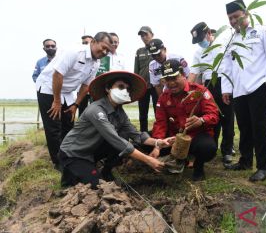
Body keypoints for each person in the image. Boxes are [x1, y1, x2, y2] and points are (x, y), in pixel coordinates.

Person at [59, 71, 172, 189]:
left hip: (91, 151)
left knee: (123, 134)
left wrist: (158, 142)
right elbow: (115, 140)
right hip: (73, 153)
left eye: (127, 89)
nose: (124, 91)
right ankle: (70, 174)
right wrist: (147, 160)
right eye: (120, 86)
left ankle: (106, 171)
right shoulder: (96, 110)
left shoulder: (119, 112)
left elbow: (136, 135)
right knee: (96, 187)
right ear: (108, 89)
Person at [35, 31, 113, 170]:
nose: (104, 51)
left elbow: (86, 85)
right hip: (49, 87)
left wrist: (76, 104)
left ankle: (68, 155)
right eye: (103, 47)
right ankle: (58, 162)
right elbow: (57, 75)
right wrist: (57, 101)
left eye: (108, 50)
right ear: (93, 42)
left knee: (69, 124)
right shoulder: (74, 52)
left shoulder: (96, 62)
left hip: (68, 92)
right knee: (54, 127)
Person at [222, 0, 266, 182]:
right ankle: (245, 160)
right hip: (239, 89)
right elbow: (227, 67)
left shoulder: (262, 30)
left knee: (259, 127)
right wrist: (226, 89)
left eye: (236, 17)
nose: (233, 21)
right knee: (244, 127)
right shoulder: (233, 40)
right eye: (230, 18)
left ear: (246, 13)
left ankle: (264, 167)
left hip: (258, 86)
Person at [151, 59, 219, 181]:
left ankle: (198, 166)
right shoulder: (163, 98)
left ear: (183, 74)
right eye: (167, 80)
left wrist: (201, 120)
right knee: (147, 141)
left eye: (174, 78)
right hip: (173, 139)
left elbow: (213, 115)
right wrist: (157, 145)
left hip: (195, 138)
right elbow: (160, 123)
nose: (171, 83)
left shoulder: (200, 91)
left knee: (207, 147)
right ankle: (176, 161)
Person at [189, 21, 235, 164]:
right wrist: (187, 90)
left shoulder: (223, 46)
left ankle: (227, 151)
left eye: (201, 40)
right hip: (208, 87)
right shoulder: (198, 53)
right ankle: (211, 149)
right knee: (211, 119)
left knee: (227, 119)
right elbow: (194, 74)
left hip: (225, 84)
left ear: (209, 33)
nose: (200, 43)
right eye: (197, 41)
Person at [134, 26, 158, 132]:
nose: (144, 37)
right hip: (143, 86)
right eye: (141, 35)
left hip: (156, 86)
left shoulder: (158, 48)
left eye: (146, 34)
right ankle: (143, 135)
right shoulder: (139, 51)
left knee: (159, 112)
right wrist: (136, 86)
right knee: (142, 113)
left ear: (152, 34)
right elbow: (136, 70)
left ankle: (159, 133)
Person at [78, 35, 95, 116]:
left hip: (93, 89)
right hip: (81, 89)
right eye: (83, 43)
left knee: (94, 111)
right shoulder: (77, 55)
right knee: (81, 112)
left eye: (87, 43)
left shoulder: (98, 58)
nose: (85, 45)